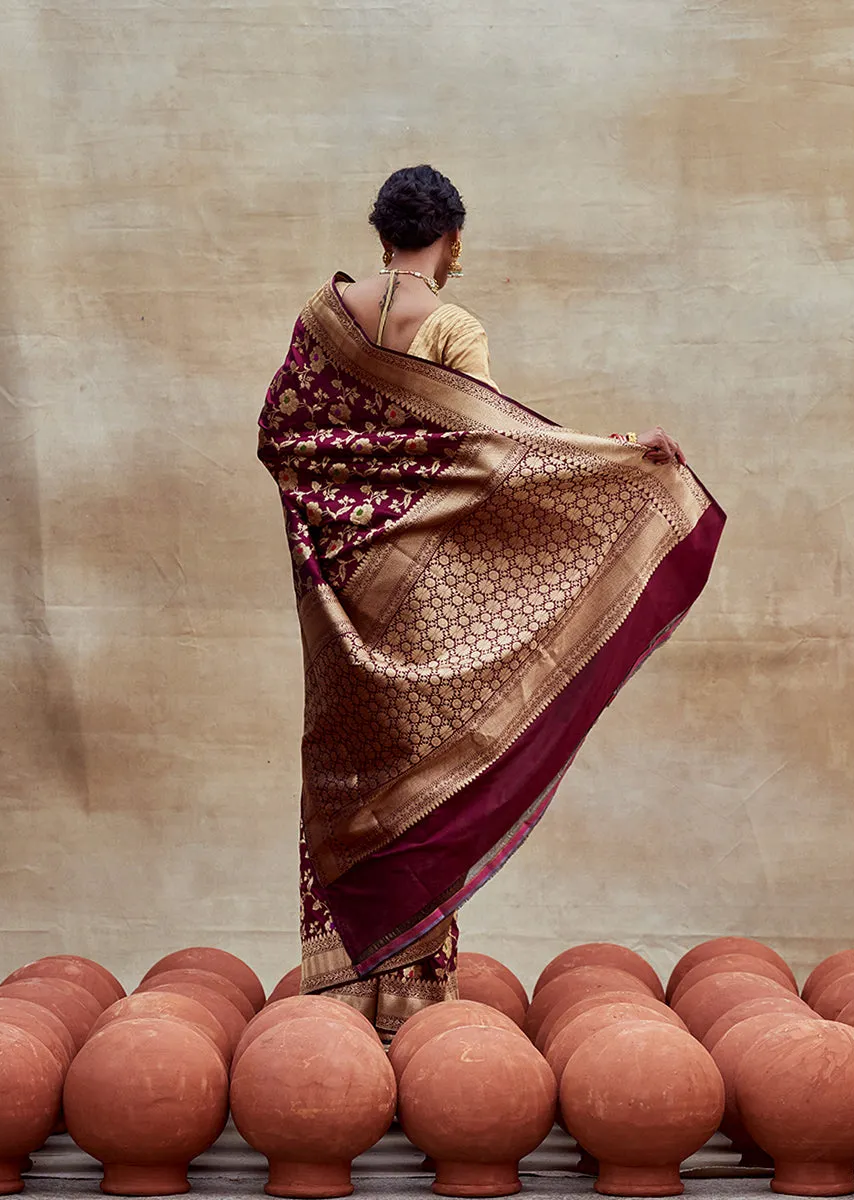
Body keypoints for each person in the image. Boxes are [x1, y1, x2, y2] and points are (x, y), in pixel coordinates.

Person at [258, 164, 724, 1040]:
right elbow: (499, 452)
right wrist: (621, 452)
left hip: (342, 593)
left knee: (348, 773)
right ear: (455, 239)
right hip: (428, 597)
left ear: (379, 232)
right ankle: (411, 1011)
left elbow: (282, 437)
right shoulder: (453, 325)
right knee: (424, 780)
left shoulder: (321, 323)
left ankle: (340, 1012)